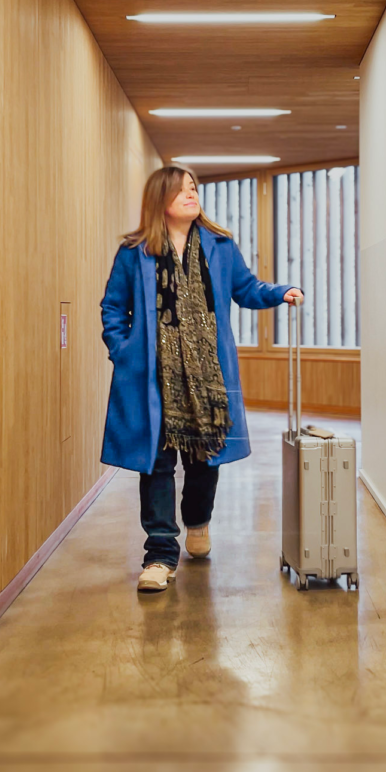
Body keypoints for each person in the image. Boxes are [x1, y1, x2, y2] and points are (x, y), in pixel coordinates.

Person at [100, 165, 303, 592]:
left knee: (203, 458)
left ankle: (197, 520)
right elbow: (114, 309)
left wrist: (279, 292)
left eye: (194, 187)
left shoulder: (220, 245)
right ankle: (158, 555)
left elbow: (245, 288)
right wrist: (124, 352)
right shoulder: (135, 252)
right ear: (161, 200)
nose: (192, 194)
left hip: (208, 375)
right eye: (182, 189)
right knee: (155, 465)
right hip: (153, 378)